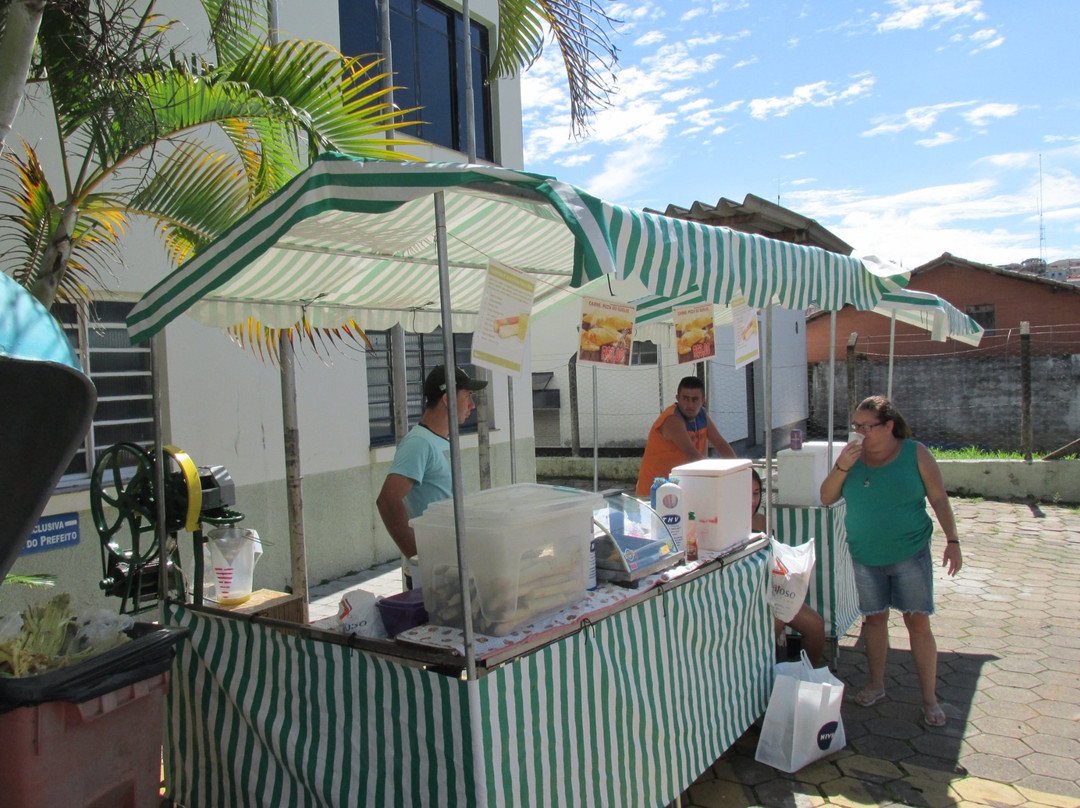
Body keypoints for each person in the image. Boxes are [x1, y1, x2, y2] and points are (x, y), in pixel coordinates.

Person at [820, 395, 962, 729]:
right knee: (874, 621)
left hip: (909, 553)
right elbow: (826, 497)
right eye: (856, 426)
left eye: (867, 427)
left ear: (889, 427)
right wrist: (841, 465)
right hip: (865, 554)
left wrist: (953, 541)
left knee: (917, 623)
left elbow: (939, 498)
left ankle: (929, 698)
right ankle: (877, 684)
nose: (860, 433)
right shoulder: (851, 458)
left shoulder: (915, 453)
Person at [376, 365, 488, 581]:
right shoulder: (418, 443)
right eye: (468, 396)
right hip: (435, 571)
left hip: (452, 562)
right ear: (447, 400)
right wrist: (418, 556)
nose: (472, 406)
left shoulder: (438, 440)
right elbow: (388, 501)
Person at [753, 469, 827, 667]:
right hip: (750, 597)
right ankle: (767, 678)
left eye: (756, 493)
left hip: (774, 591)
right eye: (746, 494)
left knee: (816, 625)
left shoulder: (762, 521)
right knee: (775, 623)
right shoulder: (726, 523)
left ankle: (805, 674)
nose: (752, 500)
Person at [635, 375, 736, 496]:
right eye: (685, 399)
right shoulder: (672, 419)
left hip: (679, 488)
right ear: (678, 398)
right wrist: (719, 479)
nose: (690, 405)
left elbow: (720, 444)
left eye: (695, 399)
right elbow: (693, 455)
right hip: (655, 491)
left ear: (703, 400)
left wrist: (738, 471)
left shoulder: (702, 415)